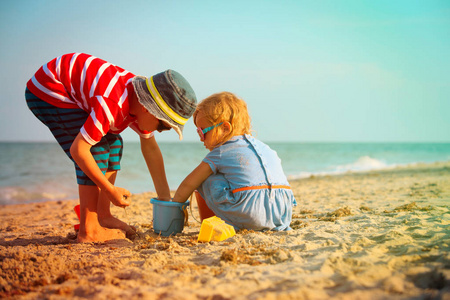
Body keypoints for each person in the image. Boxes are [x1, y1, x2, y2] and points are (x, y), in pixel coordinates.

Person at [25, 53, 197, 242]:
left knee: (114, 143)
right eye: (164, 125)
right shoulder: (112, 103)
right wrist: (108, 188)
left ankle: (103, 216)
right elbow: (79, 150)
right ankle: (88, 230)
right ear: (148, 109)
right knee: (95, 148)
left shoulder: (140, 103)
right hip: (49, 89)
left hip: (78, 92)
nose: (163, 131)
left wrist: (165, 199)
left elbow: (151, 149)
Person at [172, 92, 296, 231]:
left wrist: (173, 208)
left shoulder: (220, 152)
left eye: (202, 132)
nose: (201, 138)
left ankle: (231, 222)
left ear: (225, 128)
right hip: (283, 213)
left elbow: (189, 183)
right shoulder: (265, 147)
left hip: (251, 214)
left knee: (205, 179)